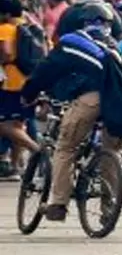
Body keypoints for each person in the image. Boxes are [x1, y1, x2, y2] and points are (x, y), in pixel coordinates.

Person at [20, 15, 114, 223]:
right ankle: (109, 207)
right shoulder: (110, 45)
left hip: (91, 99)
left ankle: (58, 205)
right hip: (120, 104)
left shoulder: (70, 43)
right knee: (110, 152)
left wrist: (29, 94)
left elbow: (45, 71)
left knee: (65, 147)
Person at [0, 0, 40, 179]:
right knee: (18, 125)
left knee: (3, 125)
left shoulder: (5, 28)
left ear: (6, 13)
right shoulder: (31, 26)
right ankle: (16, 168)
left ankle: (37, 150)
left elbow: (7, 53)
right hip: (30, 81)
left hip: (11, 82)